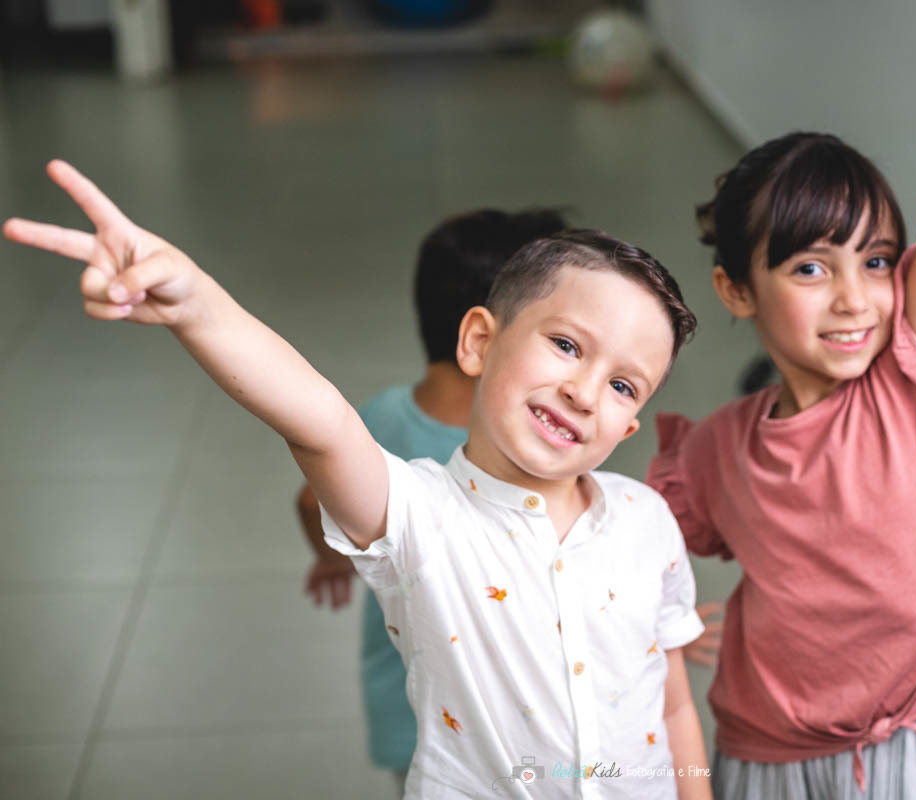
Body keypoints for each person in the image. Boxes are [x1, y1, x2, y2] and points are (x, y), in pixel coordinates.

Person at [4, 167, 712, 800]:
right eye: (566, 344)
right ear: (478, 341)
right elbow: (318, 421)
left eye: (623, 385)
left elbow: (673, 704)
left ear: (628, 428)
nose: (586, 392)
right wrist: (197, 304)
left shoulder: (645, 519)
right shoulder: (417, 515)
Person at [647, 4, 916, 797]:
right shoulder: (715, 450)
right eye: (809, 268)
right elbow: (624, 542)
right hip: (762, 755)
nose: (853, 299)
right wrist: (664, 622)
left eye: (874, 262)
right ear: (736, 290)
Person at [295, 208, 567, 795]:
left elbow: (307, 499)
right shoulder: (535, 461)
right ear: (488, 335)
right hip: (510, 725)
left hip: (407, 704)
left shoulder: (380, 418)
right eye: (563, 339)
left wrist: (328, 557)